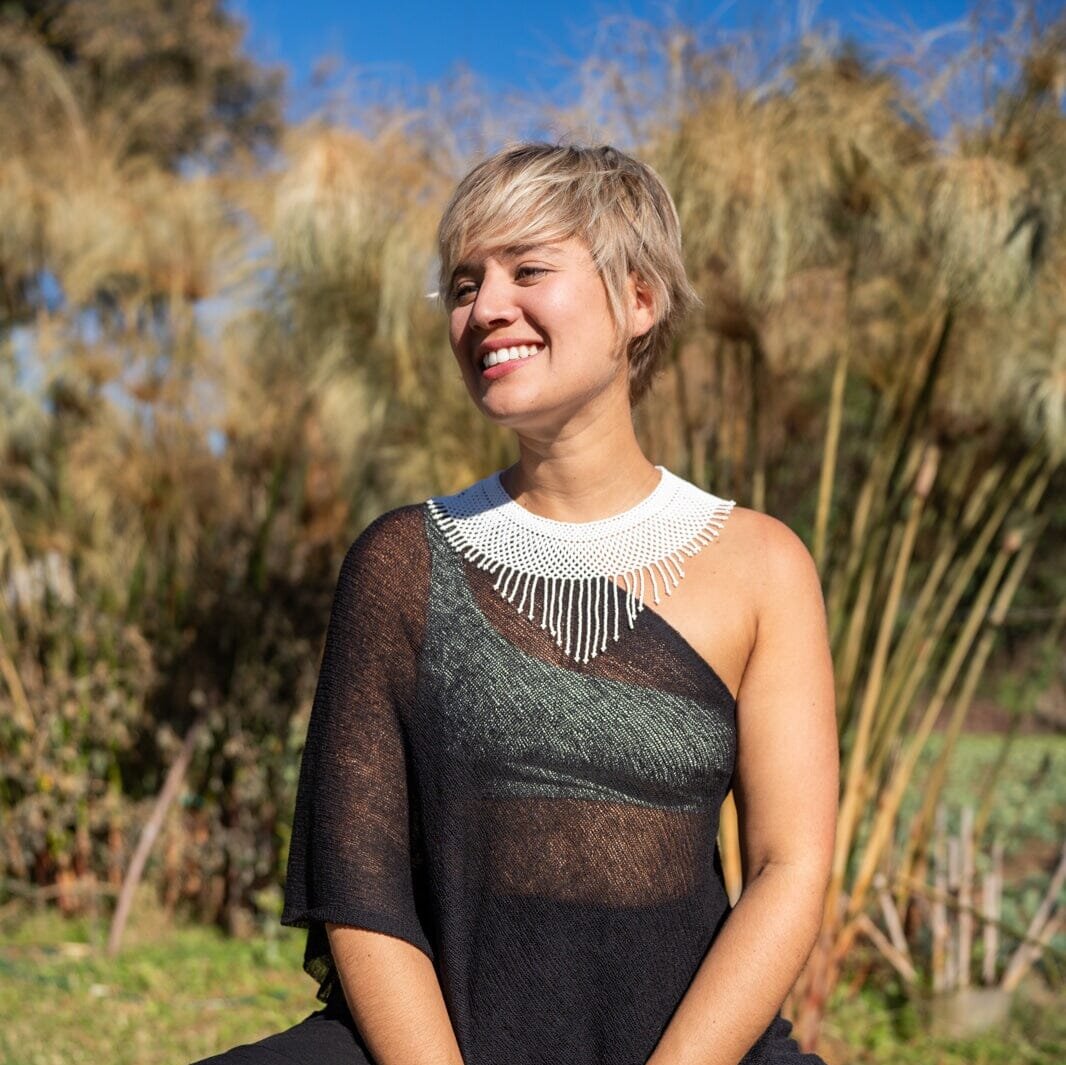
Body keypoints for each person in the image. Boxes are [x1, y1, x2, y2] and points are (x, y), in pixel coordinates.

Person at [192, 142, 839, 1065]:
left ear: (641, 300)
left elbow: (789, 867)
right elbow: (359, 887)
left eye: (528, 269)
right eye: (463, 284)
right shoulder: (402, 562)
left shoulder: (764, 565)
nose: (486, 307)